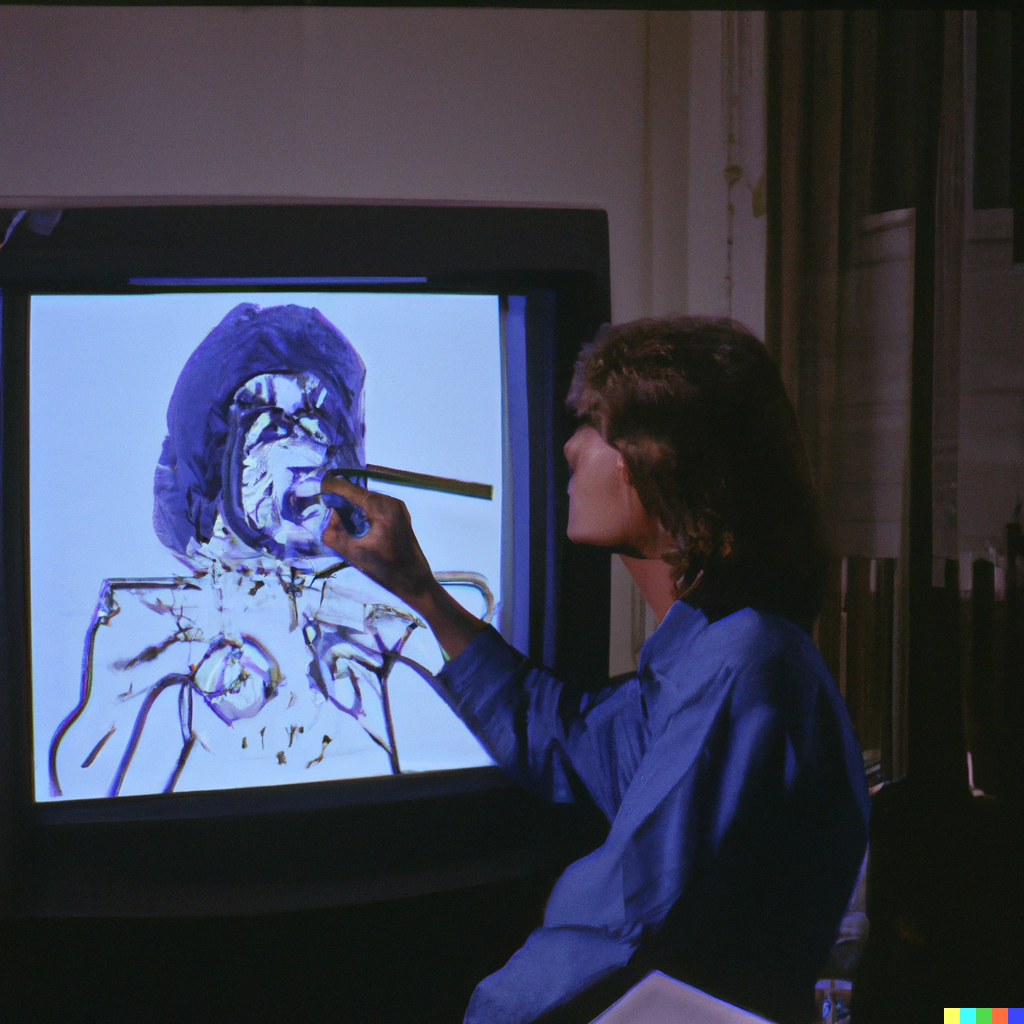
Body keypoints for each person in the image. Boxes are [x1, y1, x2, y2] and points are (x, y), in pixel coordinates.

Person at [320, 316, 870, 1024]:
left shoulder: (744, 666)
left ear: (661, 463)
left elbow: (620, 930)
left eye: (595, 426)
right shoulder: (712, 649)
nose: (570, 446)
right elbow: (579, 744)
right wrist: (421, 591)